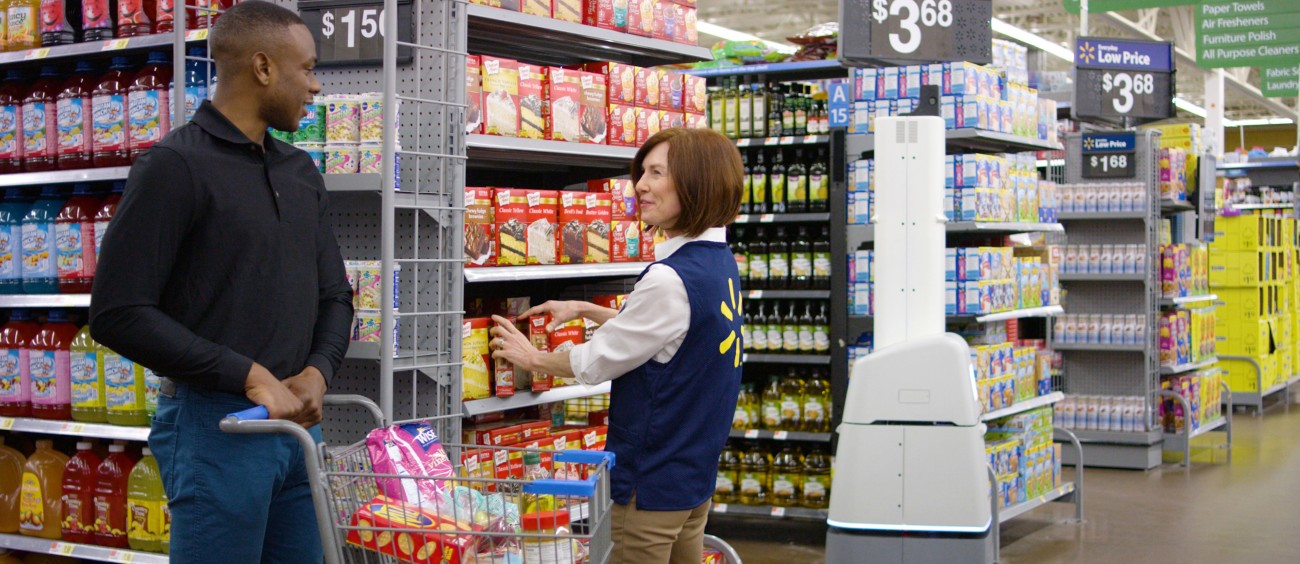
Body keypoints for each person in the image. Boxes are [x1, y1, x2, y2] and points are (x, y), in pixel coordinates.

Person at [88, 2, 353, 562]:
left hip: (298, 430)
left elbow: (335, 295)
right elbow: (117, 312)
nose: (315, 86)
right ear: (263, 67)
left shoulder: (300, 172)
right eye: (307, 69)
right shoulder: (173, 166)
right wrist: (250, 376)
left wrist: (318, 372)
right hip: (217, 427)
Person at [490, 127, 744, 563]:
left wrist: (531, 358)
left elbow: (595, 362)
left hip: (648, 486)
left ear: (697, 183)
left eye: (657, 173)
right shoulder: (718, 263)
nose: (640, 184)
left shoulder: (669, 279)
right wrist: (587, 309)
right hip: (691, 481)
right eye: (642, 172)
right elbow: (674, 335)